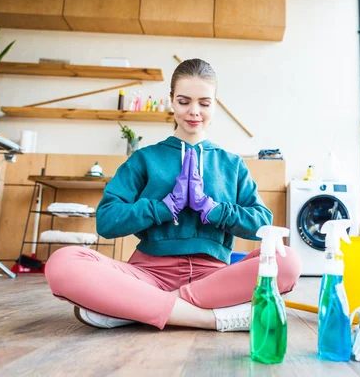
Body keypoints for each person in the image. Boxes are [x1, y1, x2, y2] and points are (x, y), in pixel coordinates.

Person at [45, 58, 301, 332]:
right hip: (147, 275)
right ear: (171, 100)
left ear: (215, 103)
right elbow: (106, 222)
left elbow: (262, 223)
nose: (194, 112)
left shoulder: (232, 164)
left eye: (204, 103)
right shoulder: (144, 159)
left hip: (213, 278)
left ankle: (135, 309)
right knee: (63, 263)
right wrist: (162, 207)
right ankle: (209, 319)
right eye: (183, 101)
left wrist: (214, 209)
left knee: (287, 260)